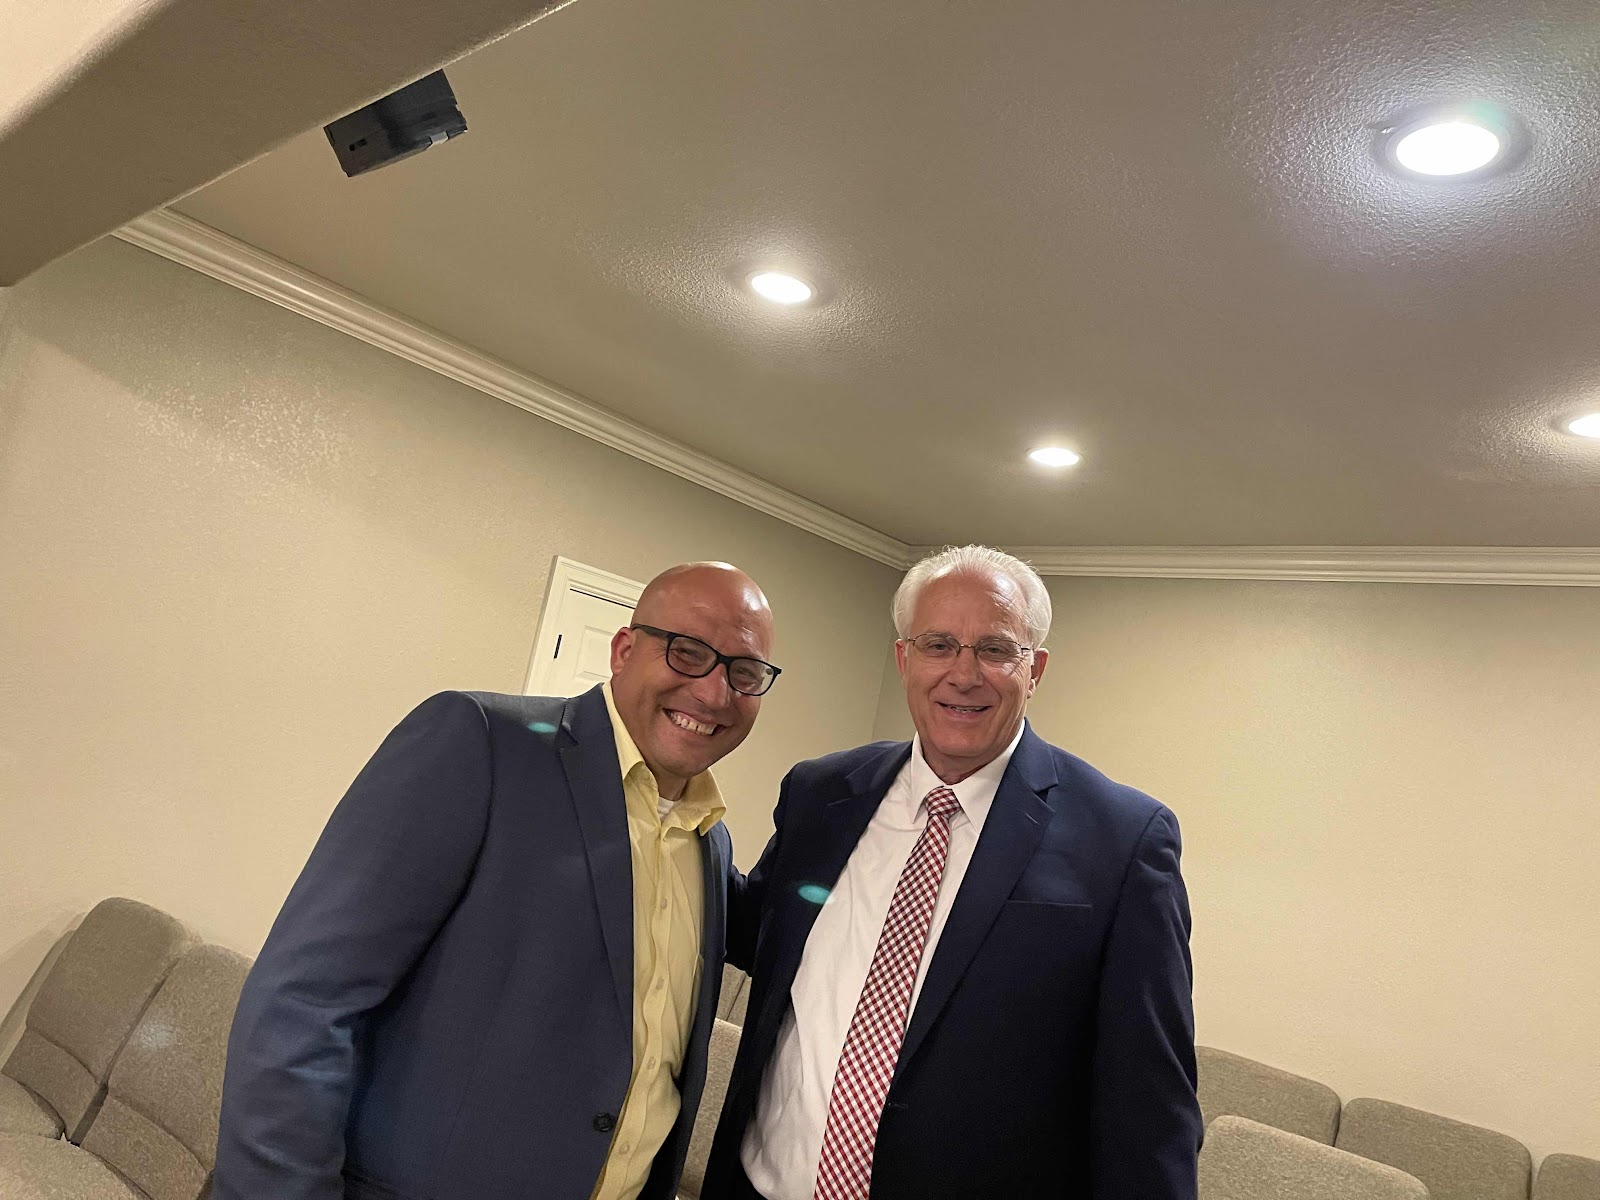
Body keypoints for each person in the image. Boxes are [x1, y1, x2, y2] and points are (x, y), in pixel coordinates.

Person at [213, 562, 782, 1200]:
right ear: (624, 651)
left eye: (745, 672)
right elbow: (303, 1003)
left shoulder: (709, 844)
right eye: (688, 652)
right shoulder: (480, 743)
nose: (714, 693)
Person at [706, 545, 1200, 1200]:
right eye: (938, 645)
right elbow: (755, 932)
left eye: (995, 649)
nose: (963, 674)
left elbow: (1149, 1108)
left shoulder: (1122, 841)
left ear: (1034, 669)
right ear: (904, 659)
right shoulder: (822, 795)